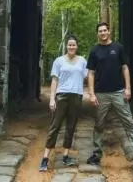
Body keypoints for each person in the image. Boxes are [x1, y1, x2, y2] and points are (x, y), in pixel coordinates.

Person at [86, 21, 133, 166]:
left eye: (105, 30)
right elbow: (90, 73)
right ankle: (97, 154)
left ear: (109, 32)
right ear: (97, 33)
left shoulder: (118, 48)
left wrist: (128, 88)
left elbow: (125, 68)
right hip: (101, 94)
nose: (103, 33)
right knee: (99, 124)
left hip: (118, 92)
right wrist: (91, 93)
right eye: (100, 31)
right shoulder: (94, 51)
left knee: (129, 122)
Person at [39, 35, 87, 172]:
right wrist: (52, 98)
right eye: (69, 45)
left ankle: (66, 155)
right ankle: (45, 158)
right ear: (67, 46)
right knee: (55, 126)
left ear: (77, 46)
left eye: (74, 45)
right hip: (62, 95)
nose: (71, 47)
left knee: (71, 126)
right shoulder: (59, 61)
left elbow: (88, 76)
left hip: (76, 96)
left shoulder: (82, 61)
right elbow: (54, 80)